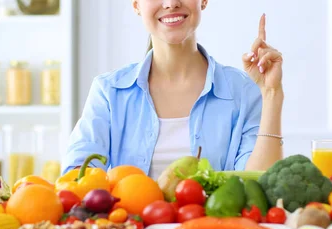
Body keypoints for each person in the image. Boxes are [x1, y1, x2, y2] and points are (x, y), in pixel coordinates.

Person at [62, 0, 284, 180]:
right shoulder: (109, 92)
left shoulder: (243, 91)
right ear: (136, 5)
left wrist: (271, 94)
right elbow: (76, 177)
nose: (171, 3)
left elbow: (258, 184)